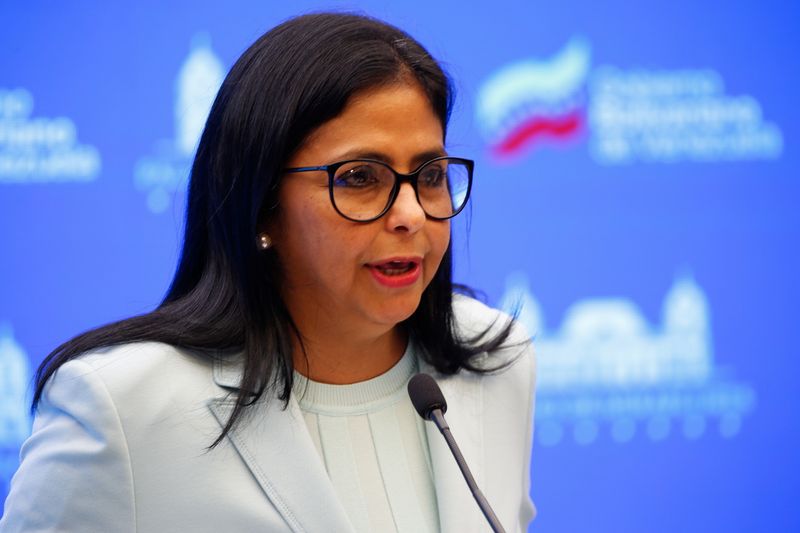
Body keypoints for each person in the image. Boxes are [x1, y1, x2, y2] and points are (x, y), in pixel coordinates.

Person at [0, 12, 536, 533]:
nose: (412, 214)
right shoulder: (124, 410)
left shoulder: (497, 363)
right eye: (359, 177)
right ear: (261, 206)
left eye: (431, 174)